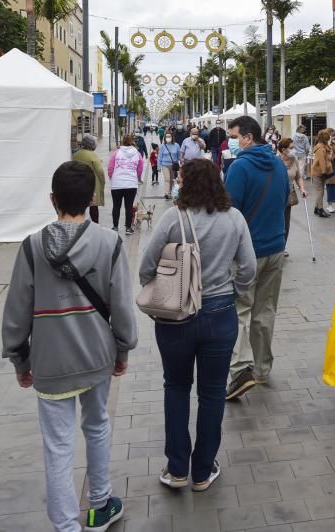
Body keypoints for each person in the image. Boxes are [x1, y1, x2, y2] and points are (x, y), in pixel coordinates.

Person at [2, 161, 138, 532]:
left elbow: (16, 310)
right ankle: (99, 505)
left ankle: (66, 526)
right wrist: (123, 349)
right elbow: (122, 305)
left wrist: (19, 359)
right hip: (96, 356)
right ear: (93, 199)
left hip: (49, 363)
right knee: (97, 427)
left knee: (58, 446)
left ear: (52, 199)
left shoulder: (31, 247)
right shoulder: (109, 243)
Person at [140, 159, 257, 493]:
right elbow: (248, 267)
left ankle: (177, 469)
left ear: (185, 183)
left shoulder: (171, 218)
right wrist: (233, 292)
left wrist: (161, 292)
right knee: (212, 393)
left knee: (175, 387)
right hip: (220, 313)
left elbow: (146, 266)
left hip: (176, 316)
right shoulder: (234, 218)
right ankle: (203, 471)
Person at [224, 116, 289, 399]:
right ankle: (262, 369)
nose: (232, 142)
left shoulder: (239, 167)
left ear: (249, 137)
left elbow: (228, 210)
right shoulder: (277, 163)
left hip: (248, 252)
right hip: (275, 248)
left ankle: (240, 370)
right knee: (265, 311)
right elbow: (286, 199)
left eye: (235, 136)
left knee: (240, 310)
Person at [107, 134, 143, 235]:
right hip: (131, 184)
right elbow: (140, 169)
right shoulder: (137, 153)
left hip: (117, 184)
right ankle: (128, 228)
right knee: (129, 206)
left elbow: (110, 168)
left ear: (122, 141)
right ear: (132, 141)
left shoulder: (116, 153)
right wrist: (137, 178)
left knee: (116, 206)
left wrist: (112, 177)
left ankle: (115, 227)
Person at [277, 137, 308, 254]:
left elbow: (298, 176)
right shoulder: (275, 160)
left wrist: (302, 189)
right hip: (276, 195)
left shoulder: (294, 159)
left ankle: (282, 247)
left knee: (286, 223)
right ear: (284, 149)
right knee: (277, 222)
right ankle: (275, 246)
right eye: (291, 148)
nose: (294, 150)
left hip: (288, 195)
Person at [72, 134, 105, 224]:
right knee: (93, 206)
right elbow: (100, 171)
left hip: (78, 184)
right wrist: (103, 183)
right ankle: (95, 224)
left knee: (80, 205)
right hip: (91, 184)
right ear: (91, 145)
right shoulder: (93, 155)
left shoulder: (75, 155)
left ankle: (78, 222)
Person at [310, 129, 334, 218]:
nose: (330, 137)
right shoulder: (320, 148)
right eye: (328, 136)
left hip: (322, 172)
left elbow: (329, 158)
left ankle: (317, 208)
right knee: (320, 192)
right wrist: (324, 172)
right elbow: (322, 161)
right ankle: (320, 209)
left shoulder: (325, 146)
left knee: (321, 191)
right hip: (319, 172)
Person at [158, 133, 181, 200]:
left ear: (172, 137)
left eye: (169, 136)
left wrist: (180, 163)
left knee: (171, 180)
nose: (168, 138)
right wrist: (158, 166)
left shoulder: (176, 145)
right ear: (165, 138)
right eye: (167, 136)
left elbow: (179, 155)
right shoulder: (162, 146)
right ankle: (166, 193)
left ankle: (170, 192)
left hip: (173, 165)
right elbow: (159, 156)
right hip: (164, 164)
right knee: (167, 178)